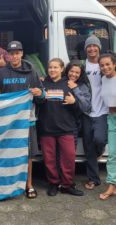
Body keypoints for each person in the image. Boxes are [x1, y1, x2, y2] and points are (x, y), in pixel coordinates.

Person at [0, 41, 44, 199]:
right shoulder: (0, 73)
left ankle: (29, 185)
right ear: (7, 55)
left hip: (26, 121)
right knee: (6, 152)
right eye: (11, 53)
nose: (14, 56)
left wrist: (39, 93)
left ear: (22, 53)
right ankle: (6, 184)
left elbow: (42, 96)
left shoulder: (31, 72)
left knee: (27, 154)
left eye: (17, 53)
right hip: (6, 122)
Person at [38, 58, 83, 197]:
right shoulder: (42, 84)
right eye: (50, 67)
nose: (52, 70)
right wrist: (39, 96)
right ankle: (53, 183)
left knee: (68, 159)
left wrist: (74, 102)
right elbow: (37, 102)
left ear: (62, 69)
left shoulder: (69, 84)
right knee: (49, 159)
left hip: (66, 128)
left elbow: (80, 108)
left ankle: (67, 185)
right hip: (47, 128)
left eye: (55, 67)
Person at [82, 35, 109, 190]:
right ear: (86, 49)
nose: (92, 49)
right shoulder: (82, 65)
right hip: (86, 113)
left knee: (99, 140)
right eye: (89, 46)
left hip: (102, 111)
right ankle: (94, 179)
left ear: (99, 48)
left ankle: (99, 152)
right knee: (88, 146)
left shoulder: (104, 65)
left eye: (94, 46)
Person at [98, 53, 116, 200]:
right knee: (112, 155)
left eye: (108, 64)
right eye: (102, 65)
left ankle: (112, 186)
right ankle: (112, 185)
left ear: (114, 64)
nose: (105, 67)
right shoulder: (103, 79)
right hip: (111, 118)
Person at [65, 60, 92, 146]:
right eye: (71, 71)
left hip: (74, 124)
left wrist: (75, 88)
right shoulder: (61, 81)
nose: (73, 74)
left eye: (77, 72)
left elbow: (86, 107)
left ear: (81, 74)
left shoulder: (83, 86)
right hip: (59, 121)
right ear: (67, 71)